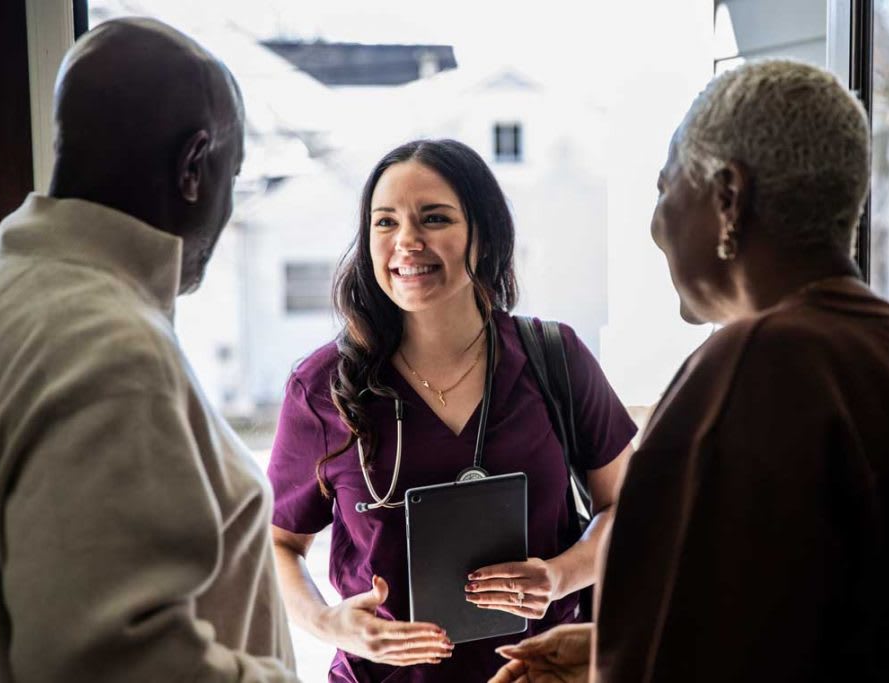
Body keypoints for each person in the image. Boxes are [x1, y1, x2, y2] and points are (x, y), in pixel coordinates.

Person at [491, 59, 889, 683]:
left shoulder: (747, 372)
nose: (656, 226)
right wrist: (610, 647)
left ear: (727, 198)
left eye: (664, 189)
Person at [0, 18, 298, 682]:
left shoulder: (8, 294)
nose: (227, 210)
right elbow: (110, 662)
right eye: (230, 175)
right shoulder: (110, 349)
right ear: (192, 166)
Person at [267, 138, 636, 682]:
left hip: (537, 674)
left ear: (483, 235)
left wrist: (561, 576)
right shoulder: (323, 386)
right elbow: (279, 543)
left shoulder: (555, 359)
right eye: (385, 222)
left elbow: (628, 509)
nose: (407, 241)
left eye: (434, 218)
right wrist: (329, 622)